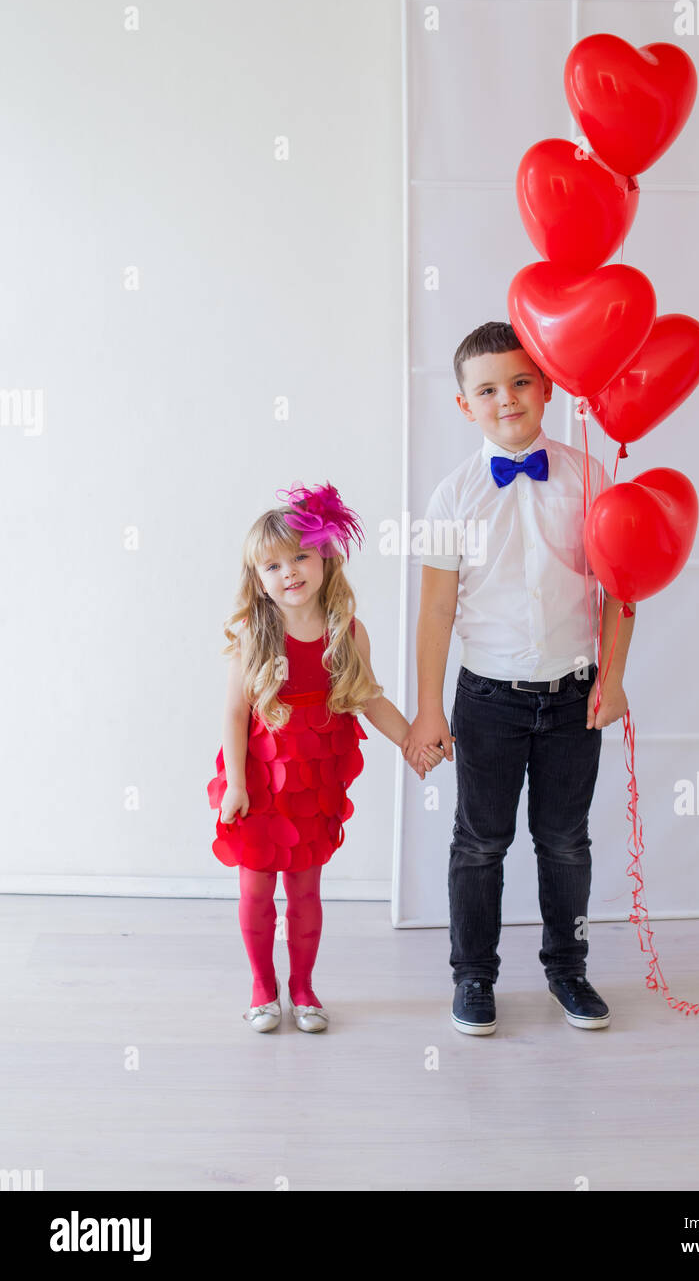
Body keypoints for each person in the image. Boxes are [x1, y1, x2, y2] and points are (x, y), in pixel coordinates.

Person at [402, 323, 636, 1036]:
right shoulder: (452, 495)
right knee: (480, 841)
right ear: (463, 404)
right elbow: (437, 608)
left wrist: (614, 677)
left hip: (574, 694)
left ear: (549, 387)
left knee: (566, 840)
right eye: (488, 389)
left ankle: (568, 969)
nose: (507, 398)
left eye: (521, 382)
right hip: (487, 700)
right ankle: (474, 977)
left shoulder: (591, 475)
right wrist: (428, 711)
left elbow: (620, 585)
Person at [207, 481, 443, 1034]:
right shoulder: (254, 634)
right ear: (258, 580)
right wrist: (237, 784)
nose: (289, 572)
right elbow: (234, 717)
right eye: (273, 566)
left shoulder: (349, 632)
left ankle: (304, 988)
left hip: (315, 782)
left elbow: (367, 697)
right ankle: (263, 988)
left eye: (300, 556)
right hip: (261, 781)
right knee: (256, 887)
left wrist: (411, 740)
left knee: (306, 890)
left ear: (325, 558)